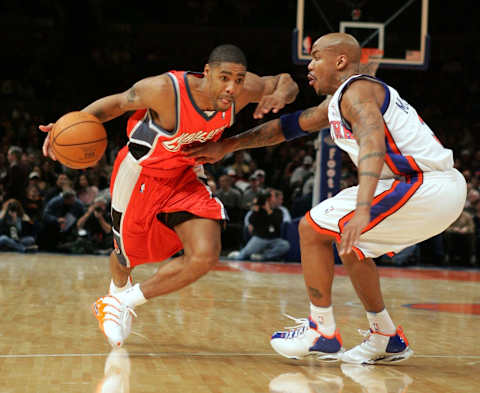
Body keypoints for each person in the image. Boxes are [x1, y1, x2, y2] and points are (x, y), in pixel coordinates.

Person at [185, 33, 467, 364]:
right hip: (431, 189)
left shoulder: (357, 92)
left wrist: (363, 207)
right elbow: (287, 127)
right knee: (351, 247)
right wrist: (227, 145)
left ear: (341, 61)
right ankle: (386, 337)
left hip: (423, 184)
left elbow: (372, 138)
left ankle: (322, 330)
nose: (310, 65)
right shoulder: (337, 102)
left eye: (316, 57)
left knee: (311, 228)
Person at [39, 44, 299, 348]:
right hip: (141, 175)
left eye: (239, 80)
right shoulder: (164, 89)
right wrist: (71, 123)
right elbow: (116, 104)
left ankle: (122, 304)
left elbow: (285, 80)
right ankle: (117, 289)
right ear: (207, 73)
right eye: (225, 78)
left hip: (185, 175)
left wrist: (282, 94)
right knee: (125, 257)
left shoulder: (242, 90)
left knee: (204, 255)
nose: (232, 87)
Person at [228, 191, 290, 261]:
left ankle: (263, 256)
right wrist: (256, 210)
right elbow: (251, 221)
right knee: (242, 256)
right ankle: (238, 254)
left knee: (285, 245)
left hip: (273, 239)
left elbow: (276, 222)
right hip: (260, 238)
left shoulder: (279, 211)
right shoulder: (260, 210)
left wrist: (268, 210)